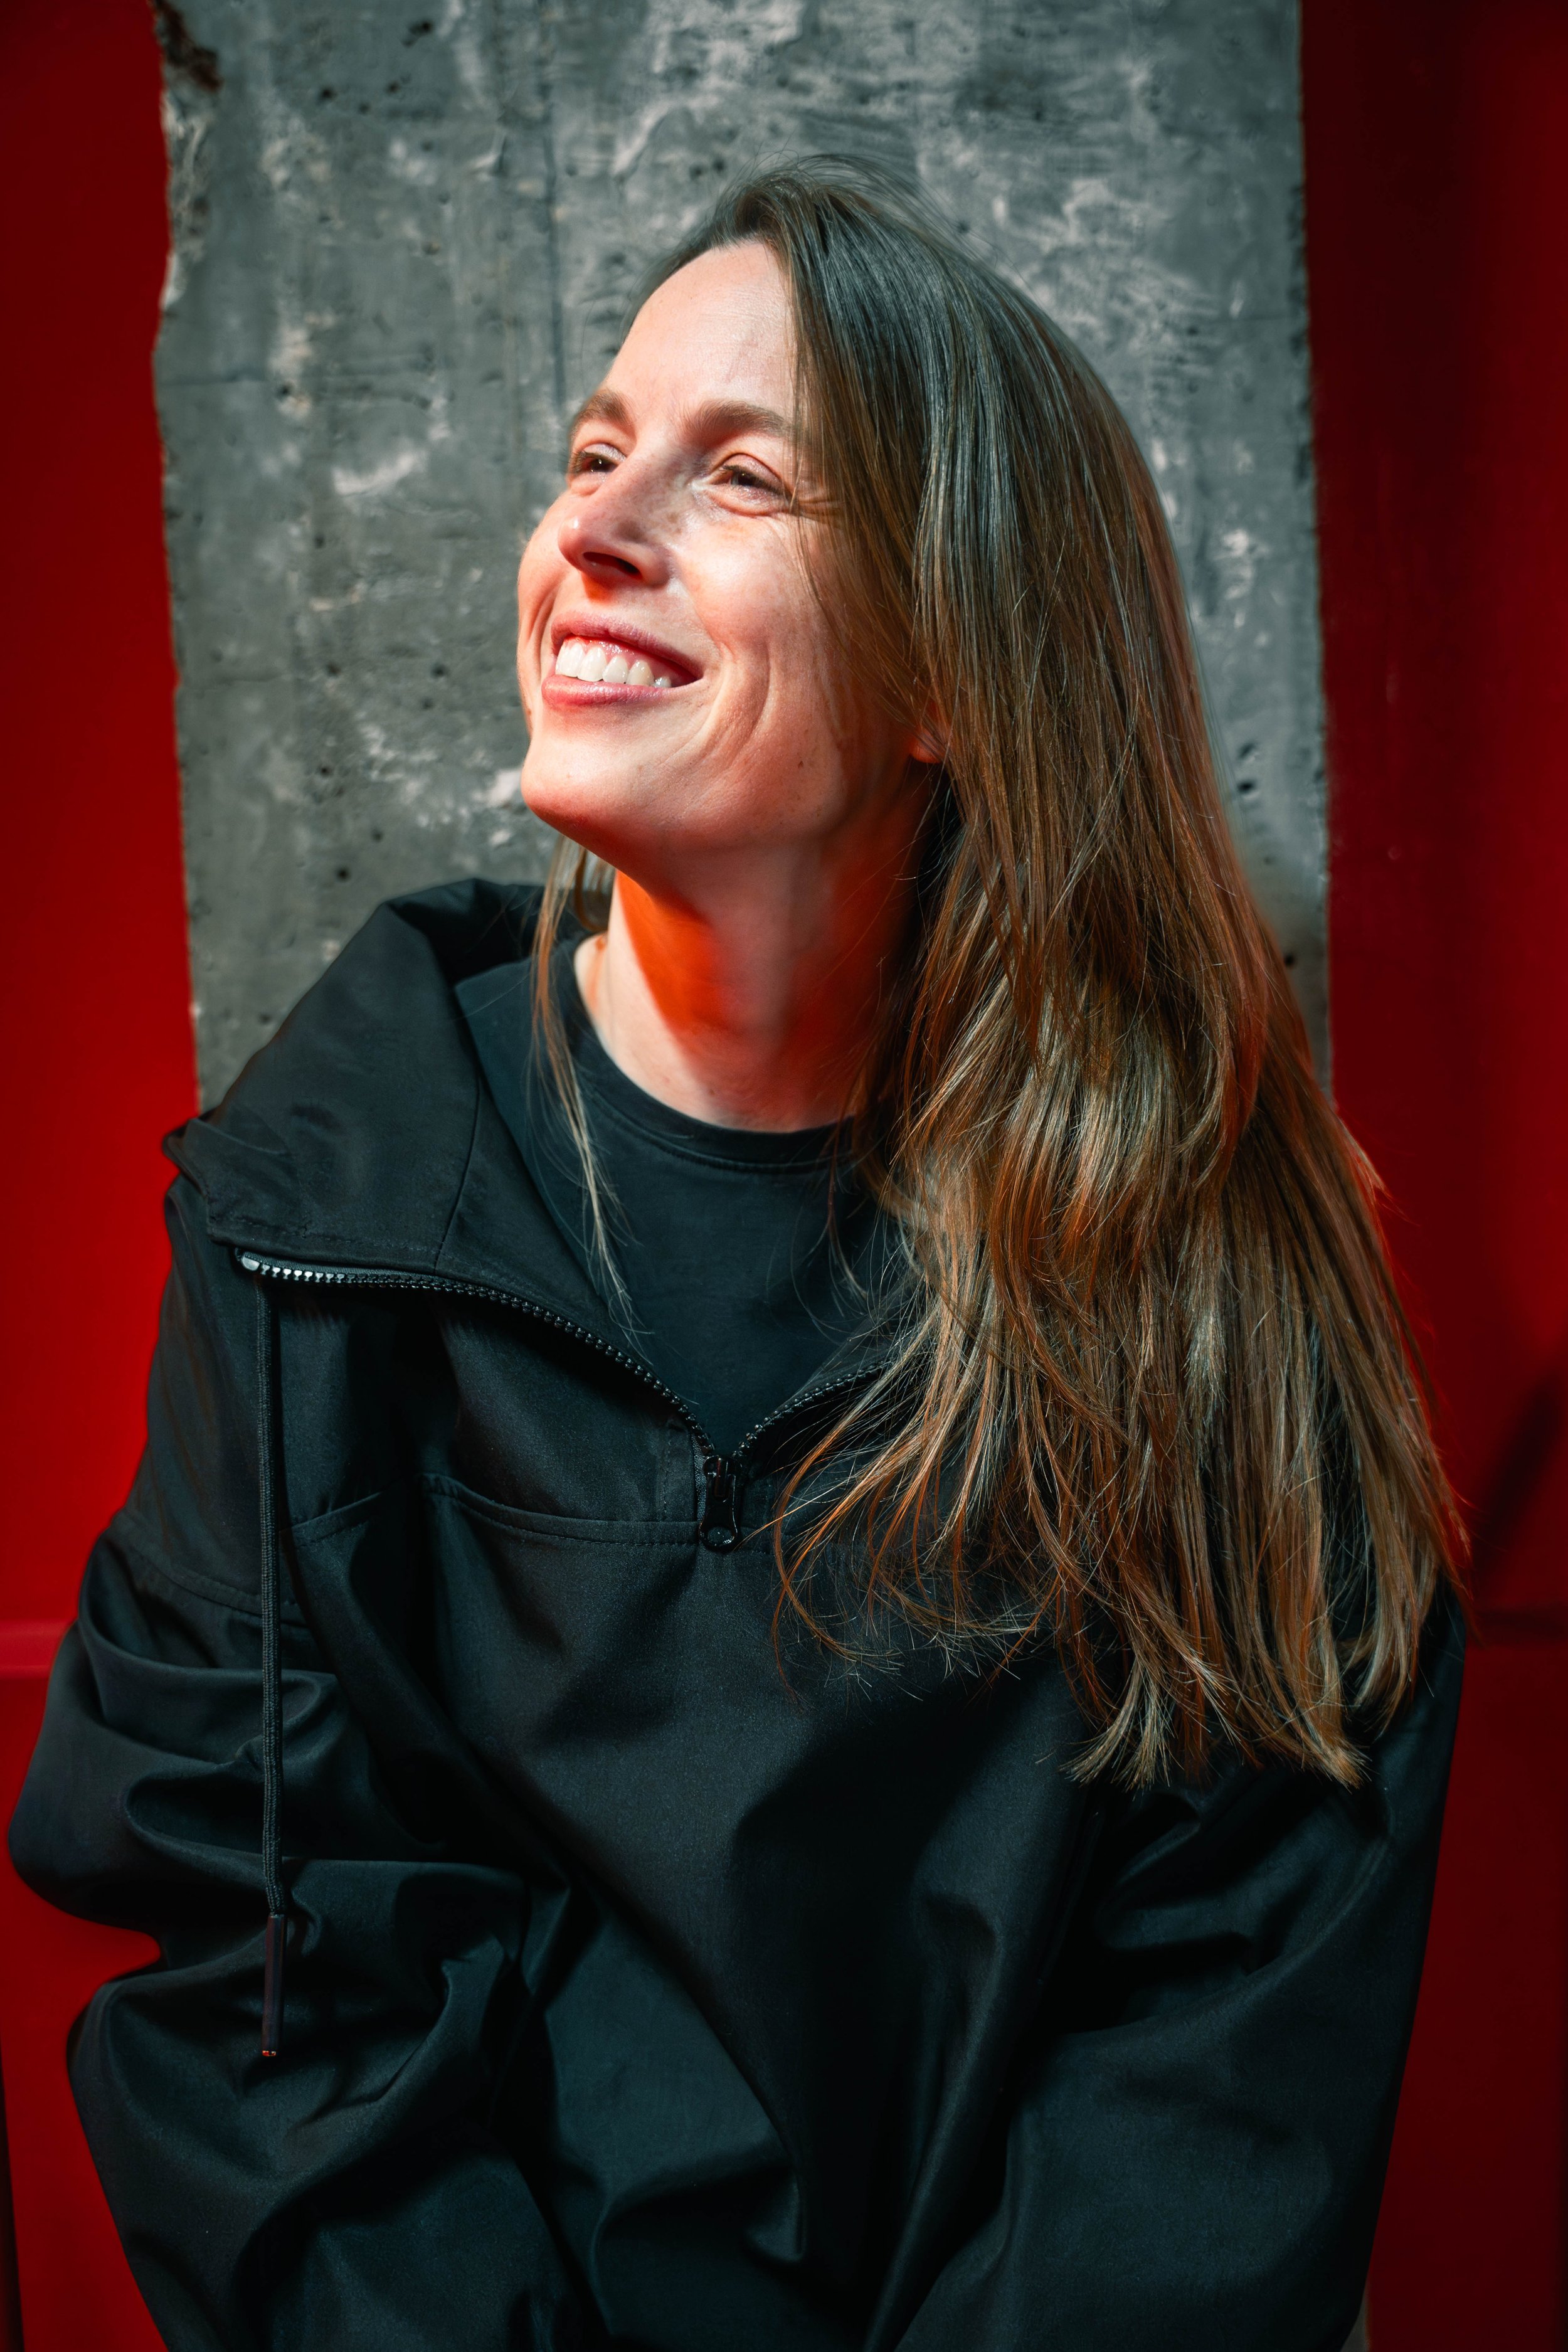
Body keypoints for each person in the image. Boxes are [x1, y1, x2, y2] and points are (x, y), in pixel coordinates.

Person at [11, 161, 1463, 2352]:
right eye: (595, 454)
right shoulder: (321, 1230)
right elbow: (275, 1999)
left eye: (742, 477)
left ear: (953, 675)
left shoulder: (1219, 1291)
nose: (591, 528)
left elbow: (1209, 2083)